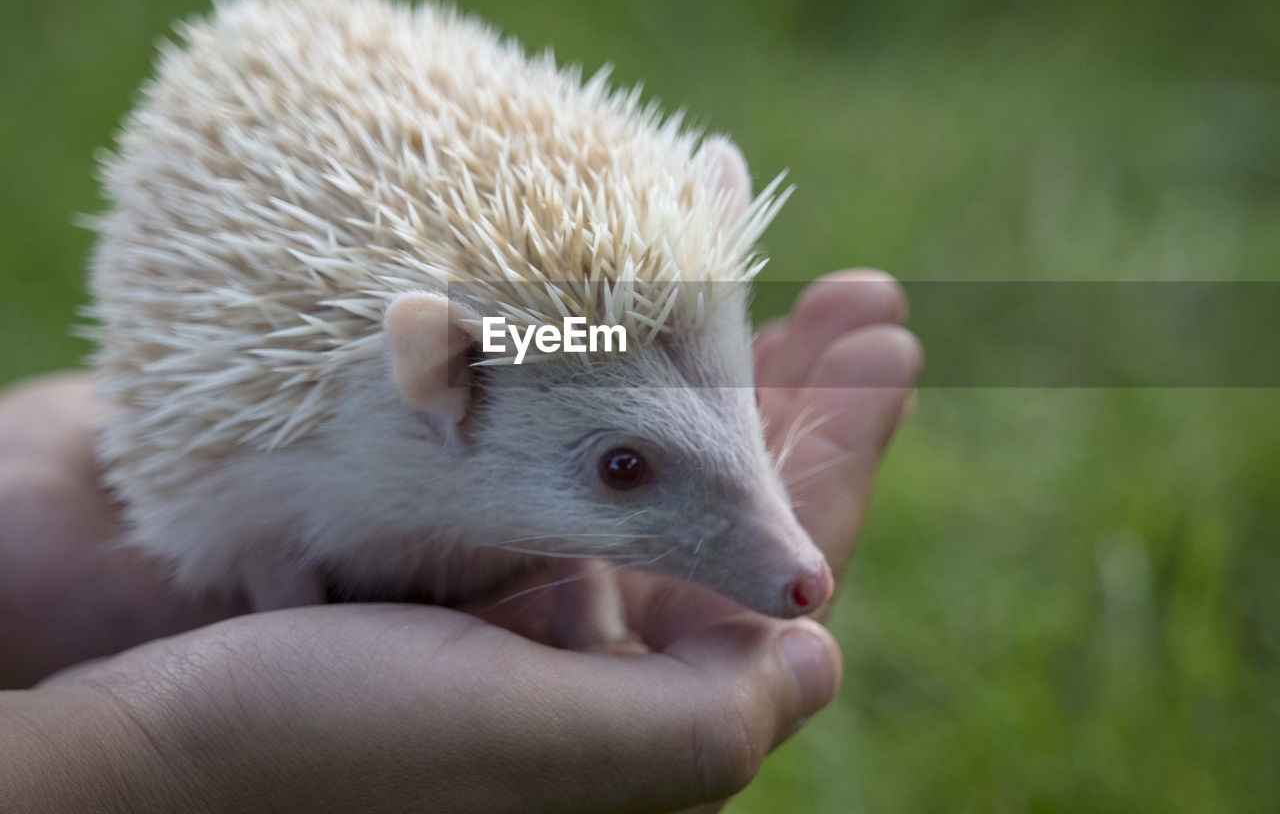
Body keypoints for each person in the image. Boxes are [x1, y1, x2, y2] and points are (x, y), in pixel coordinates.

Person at [0, 270, 921, 813]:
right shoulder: (295, 471)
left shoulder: (519, 379)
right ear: (450, 385)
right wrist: (159, 748)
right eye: (625, 469)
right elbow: (261, 535)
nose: (795, 566)